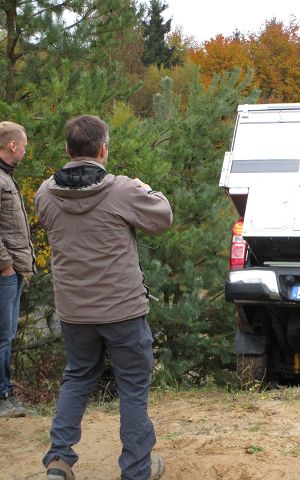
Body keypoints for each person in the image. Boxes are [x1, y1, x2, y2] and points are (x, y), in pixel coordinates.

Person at [36, 115, 173, 480]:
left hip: (74, 310)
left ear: (68, 150)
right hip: (122, 310)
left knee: (78, 377)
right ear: (103, 149)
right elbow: (162, 218)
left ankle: (59, 462)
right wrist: (148, 189)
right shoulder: (123, 190)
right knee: (132, 389)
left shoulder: (45, 193)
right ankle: (136, 471)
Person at [0, 121, 35, 418]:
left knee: (7, 334)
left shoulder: (6, 177)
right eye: (24, 144)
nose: (26, 149)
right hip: (4, 272)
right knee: (2, 335)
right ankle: (3, 398)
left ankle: (5, 394)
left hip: (13, 270)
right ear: (13, 146)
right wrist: (6, 266)